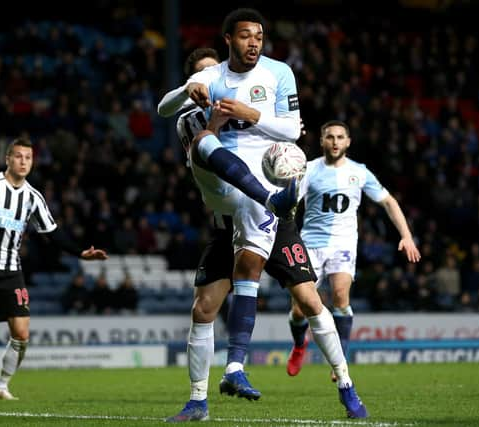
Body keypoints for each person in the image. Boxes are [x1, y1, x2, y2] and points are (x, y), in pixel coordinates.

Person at [163, 10, 368, 419]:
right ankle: (199, 400)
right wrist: (193, 92)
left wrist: (250, 113)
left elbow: (293, 130)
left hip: (268, 210)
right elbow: (170, 112)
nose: (254, 42)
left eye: (259, 36)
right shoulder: (192, 117)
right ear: (228, 41)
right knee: (203, 309)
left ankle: (345, 385)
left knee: (310, 299)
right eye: (245, 36)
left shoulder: (277, 74)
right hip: (227, 219)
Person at [0, 138, 107, 402]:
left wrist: (81, 253)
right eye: (18, 156)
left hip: (10, 269)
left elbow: (52, 232)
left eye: (28, 157)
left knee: (22, 333)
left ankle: (0, 386)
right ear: (8, 159)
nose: (23, 161)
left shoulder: (33, 197)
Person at [285, 120, 421, 379]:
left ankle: (341, 358)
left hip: (343, 244)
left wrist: (407, 236)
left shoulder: (359, 172)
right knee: (299, 309)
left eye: (340, 137)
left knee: (340, 296)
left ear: (348, 142)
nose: (335, 142)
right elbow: (290, 203)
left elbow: (389, 202)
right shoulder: (309, 169)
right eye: (329, 137)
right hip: (310, 244)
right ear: (322, 141)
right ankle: (300, 344)